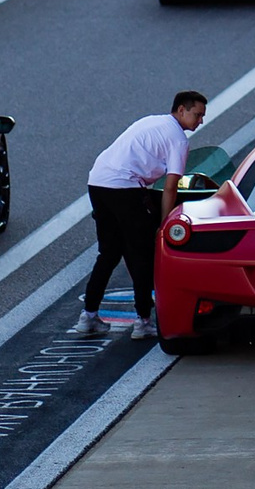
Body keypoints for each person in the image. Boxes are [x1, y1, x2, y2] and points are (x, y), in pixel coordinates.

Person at [71, 90, 207, 339]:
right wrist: (165, 223)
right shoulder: (178, 139)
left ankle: (88, 316)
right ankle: (143, 321)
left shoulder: (150, 121)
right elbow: (170, 186)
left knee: (109, 252)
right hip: (124, 187)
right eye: (197, 115)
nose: (200, 121)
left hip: (98, 182)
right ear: (181, 110)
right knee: (142, 254)